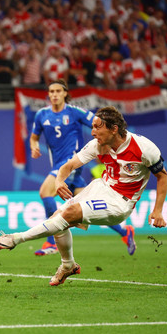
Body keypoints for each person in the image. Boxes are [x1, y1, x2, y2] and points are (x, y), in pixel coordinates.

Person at [0, 106, 167, 286]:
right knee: (56, 219)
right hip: (100, 187)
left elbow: (162, 176)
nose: (92, 132)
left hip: (121, 202)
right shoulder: (97, 145)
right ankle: (68, 265)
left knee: (68, 214)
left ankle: (15, 239)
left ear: (114, 129)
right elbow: (68, 166)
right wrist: (59, 180)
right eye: (92, 127)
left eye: (98, 127)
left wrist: (158, 211)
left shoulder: (144, 148)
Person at [30, 79, 136, 257]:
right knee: (86, 205)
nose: (54, 94)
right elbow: (34, 137)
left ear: (65, 93)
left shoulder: (75, 112)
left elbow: (99, 122)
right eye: (51, 92)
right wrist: (34, 145)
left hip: (71, 162)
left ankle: (52, 241)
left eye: (58, 91)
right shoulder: (41, 115)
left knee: (45, 192)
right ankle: (125, 233)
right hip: (59, 165)